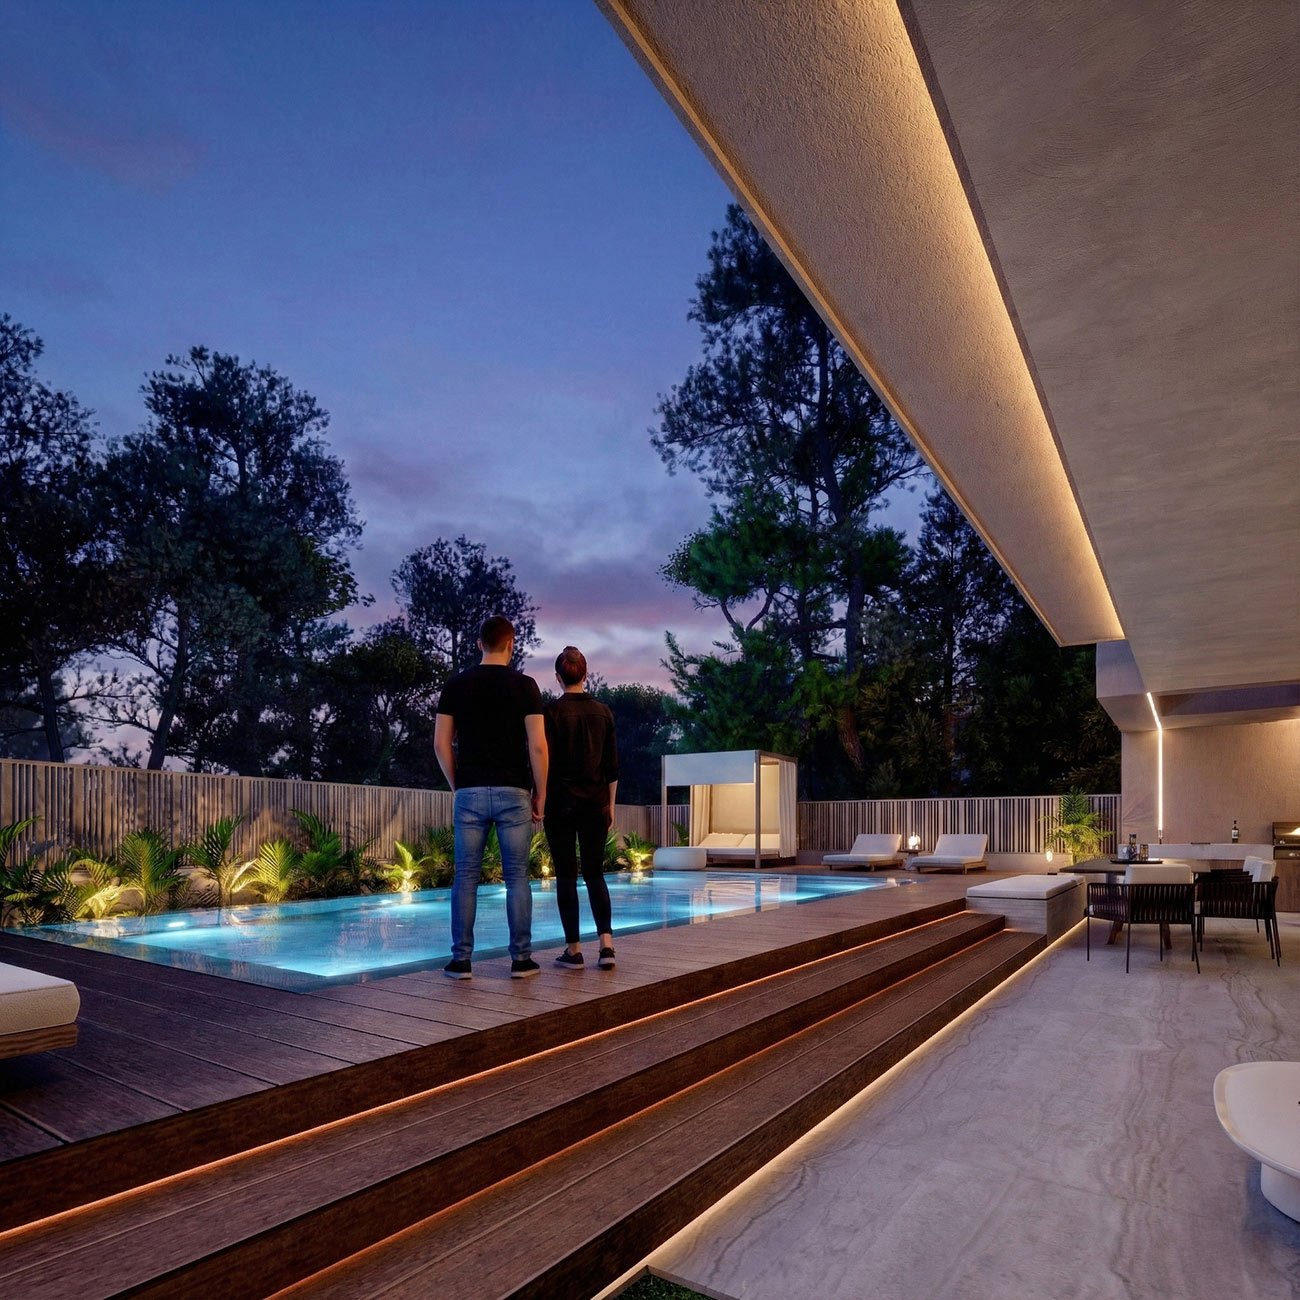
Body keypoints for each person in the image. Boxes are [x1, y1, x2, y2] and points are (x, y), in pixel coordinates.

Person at [434, 615, 547, 980]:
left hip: (469, 791)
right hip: (514, 790)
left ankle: (460, 961)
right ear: (511, 644)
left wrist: (458, 784)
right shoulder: (526, 686)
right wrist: (540, 793)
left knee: (465, 877)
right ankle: (521, 960)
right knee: (517, 877)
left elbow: (440, 743)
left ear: (479, 643)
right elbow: (539, 746)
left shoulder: (456, 685)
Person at [543, 645, 619, 970]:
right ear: (585, 675)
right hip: (596, 804)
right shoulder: (604, 712)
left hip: (560, 805)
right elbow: (612, 767)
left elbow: (542, 761)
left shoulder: (551, 714)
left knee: (566, 877)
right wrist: (610, 805)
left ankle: (574, 950)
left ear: (558, 678)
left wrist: (539, 798)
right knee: (594, 873)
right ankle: (606, 946)